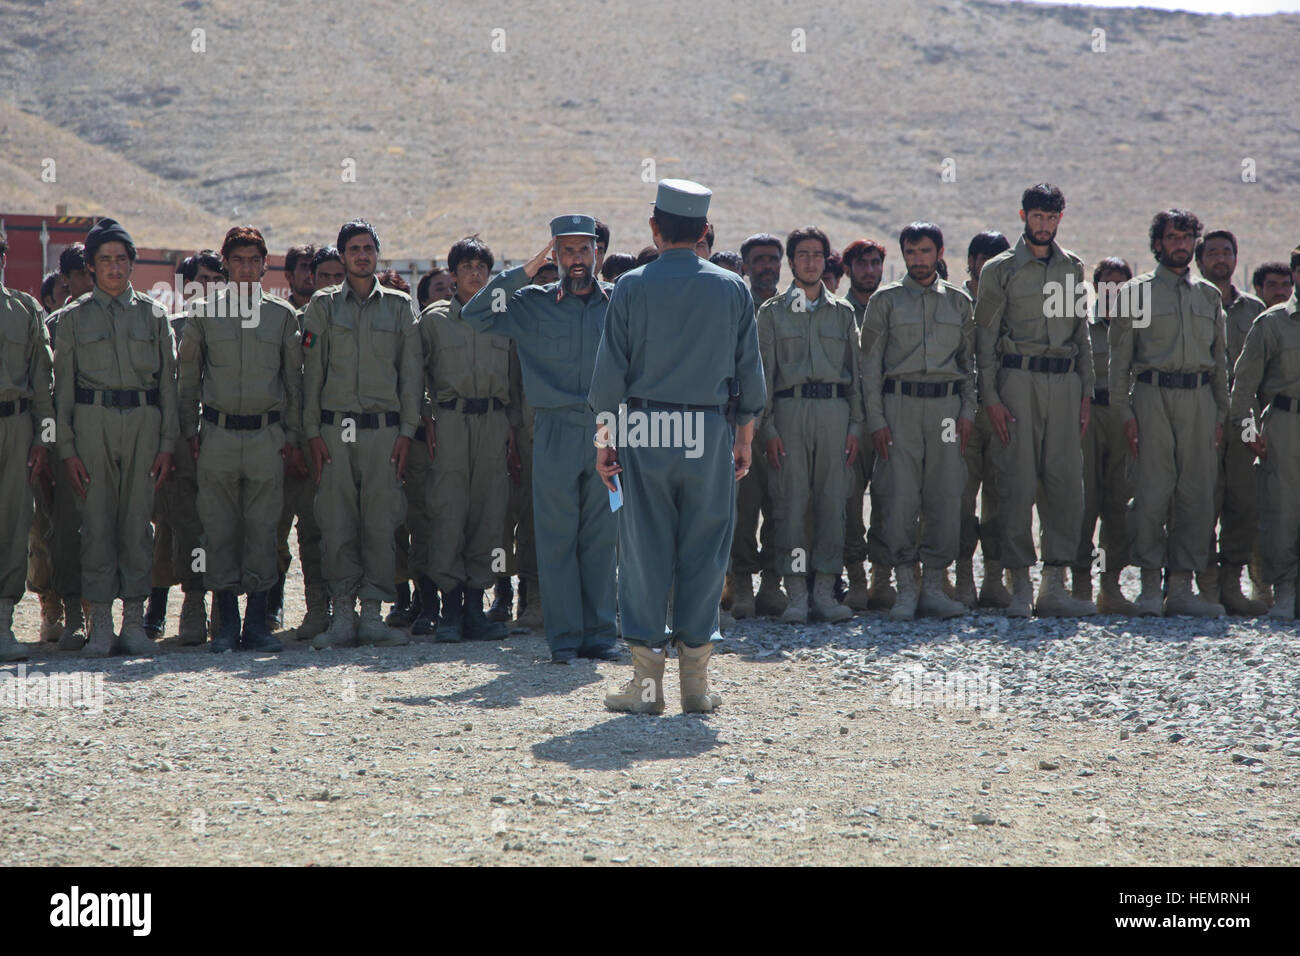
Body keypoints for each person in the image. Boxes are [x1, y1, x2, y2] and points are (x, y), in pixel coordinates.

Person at [594, 178, 764, 714]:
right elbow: (750, 378)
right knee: (705, 549)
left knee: (644, 551)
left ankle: (647, 688)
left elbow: (607, 382)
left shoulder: (631, 286)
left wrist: (605, 444)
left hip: (645, 430)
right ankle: (696, 684)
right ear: (705, 231)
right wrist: (743, 439)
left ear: (654, 229)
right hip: (709, 432)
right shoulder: (732, 288)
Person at [462, 215, 618, 663]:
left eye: (584, 250)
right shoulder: (531, 302)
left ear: (597, 254)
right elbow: (473, 312)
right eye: (566, 251)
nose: (575, 259)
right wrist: (527, 269)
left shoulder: (617, 303)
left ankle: (601, 635)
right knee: (556, 537)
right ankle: (565, 639)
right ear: (554, 253)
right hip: (551, 429)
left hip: (606, 428)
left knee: (600, 536)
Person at [54, 218, 178, 656]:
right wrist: (66, 449)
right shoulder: (71, 320)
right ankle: (101, 623)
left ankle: (134, 623)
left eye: (121, 259)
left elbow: (170, 387)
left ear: (132, 264)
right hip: (93, 420)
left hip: (144, 421)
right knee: (97, 523)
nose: (114, 268)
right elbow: (62, 391)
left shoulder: (155, 315)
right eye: (104, 260)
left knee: (138, 524)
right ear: (90, 266)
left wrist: (167, 444)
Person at [179, 226, 303, 652]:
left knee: (265, 531)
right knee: (219, 530)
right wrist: (189, 432)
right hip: (218, 435)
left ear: (265, 264)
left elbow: (294, 384)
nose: (247, 267)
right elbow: (188, 381)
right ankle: (225, 625)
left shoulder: (281, 316)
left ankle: (258, 625)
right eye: (238, 260)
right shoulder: (203, 313)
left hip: (267, 436)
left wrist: (292, 436)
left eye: (254, 259)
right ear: (226, 264)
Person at [974, 184, 1095, 617]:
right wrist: (989, 396)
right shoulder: (999, 270)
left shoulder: (1073, 268)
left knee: (1065, 483)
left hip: (1064, 383)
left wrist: (1086, 392)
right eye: (1037, 217)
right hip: (1017, 381)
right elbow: (984, 339)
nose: (1044, 225)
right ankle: (1020, 582)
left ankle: (1055, 586)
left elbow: (1081, 334)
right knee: (1016, 481)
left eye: (1051, 217)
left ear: (1060, 218)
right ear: (1022, 215)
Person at [302, 219, 422, 648]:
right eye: (354, 248)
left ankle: (372, 613)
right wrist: (311, 431)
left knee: (381, 521)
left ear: (377, 254)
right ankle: (342, 615)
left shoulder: (399, 306)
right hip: (335, 430)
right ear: (342, 255)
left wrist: (408, 431)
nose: (362, 255)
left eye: (369, 247)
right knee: (336, 523)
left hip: (383, 433)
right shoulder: (323, 306)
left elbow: (411, 377)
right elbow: (310, 375)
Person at [1109, 209, 1229, 617]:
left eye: (1186, 237)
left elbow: (1220, 364)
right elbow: (1118, 363)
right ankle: (1147, 587)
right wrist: (1125, 413)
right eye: (1172, 237)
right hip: (1151, 398)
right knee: (1151, 493)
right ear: (1157, 243)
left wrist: (1220, 415)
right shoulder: (1136, 293)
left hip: (1199, 401)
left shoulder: (1209, 296)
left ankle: (1181, 587)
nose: (1180, 244)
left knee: (1196, 494)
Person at [861, 222, 974, 620]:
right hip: (900, 407)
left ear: (940, 252)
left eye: (925, 251)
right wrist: (876, 420)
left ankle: (934, 587)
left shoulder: (959, 303)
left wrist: (966, 411)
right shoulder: (885, 302)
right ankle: (905, 586)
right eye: (911, 252)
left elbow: (969, 366)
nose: (918, 260)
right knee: (899, 496)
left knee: (944, 495)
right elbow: (870, 367)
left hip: (945, 409)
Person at [417, 236, 520, 642]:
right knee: (447, 512)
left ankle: (476, 606)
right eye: (466, 268)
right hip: (451, 422)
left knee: (489, 512)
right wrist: (426, 417)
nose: (474, 274)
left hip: (494, 421)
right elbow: (416, 373)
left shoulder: (503, 316)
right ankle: (450, 609)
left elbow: (514, 376)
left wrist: (512, 425)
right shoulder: (435, 319)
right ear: (454, 273)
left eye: (481, 268)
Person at [757, 226, 861, 624]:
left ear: (826, 259)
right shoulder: (772, 313)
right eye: (802, 254)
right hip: (789, 412)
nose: (810, 261)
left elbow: (857, 376)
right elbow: (764, 377)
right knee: (791, 503)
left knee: (833, 502)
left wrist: (855, 426)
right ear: (791, 261)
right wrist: (767, 430)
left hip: (835, 414)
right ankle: (796, 592)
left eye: (817, 254)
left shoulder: (843, 312)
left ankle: (825, 592)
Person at [146, 251, 223, 644]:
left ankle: (222, 607)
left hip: (223, 442)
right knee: (175, 530)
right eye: (202, 280)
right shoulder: (167, 329)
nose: (209, 288)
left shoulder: (235, 329)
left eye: (216, 280)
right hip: (177, 446)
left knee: (224, 527)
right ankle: (180, 605)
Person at [1195, 230, 1268, 615]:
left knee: (1242, 499)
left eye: (1227, 252)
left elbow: (1267, 371)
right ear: (1199, 260)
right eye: (1212, 253)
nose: (1220, 259)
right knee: (1203, 498)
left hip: (1244, 420)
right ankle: (1205, 584)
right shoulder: (1190, 302)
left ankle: (1232, 584)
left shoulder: (1255, 310)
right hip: (1201, 416)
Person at [1231, 249, 1300, 617]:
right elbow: (1244, 384)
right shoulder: (1271, 323)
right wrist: (1247, 429)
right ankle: (1285, 590)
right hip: (1286, 423)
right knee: (1284, 509)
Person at [1073, 257, 1142, 614]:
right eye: (1107, 284)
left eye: (1121, 284)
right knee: (1085, 503)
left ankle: (1109, 583)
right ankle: (1080, 584)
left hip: (1124, 420)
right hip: (1088, 419)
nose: (1114, 291)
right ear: (1096, 287)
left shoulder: (1139, 325)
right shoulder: (1083, 325)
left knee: (1118, 504)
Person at [725, 233, 788, 619]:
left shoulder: (788, 309)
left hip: (786, 423)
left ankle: (773, 583)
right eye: (759, 260)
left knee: (782, 507)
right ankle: (743, 584)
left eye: (773, 260)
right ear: (746, 267)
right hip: (743, 425)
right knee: (743, 510)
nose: (767, 266)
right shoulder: (733, 307)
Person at [0, 229, 55, 661]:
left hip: (15, 426)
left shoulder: (24, 310)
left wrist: (43, 438)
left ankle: (3, 624)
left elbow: (44, 384)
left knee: (15, 523)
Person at [954, 231, 1012, 609]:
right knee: (957, 498)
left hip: (1003, 411)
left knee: (1001, 497)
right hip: (960, 413)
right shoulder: (954, 302)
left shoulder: (1014, 303)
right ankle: (960, 579)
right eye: (983, 258)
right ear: (971, 261)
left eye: (997, 259)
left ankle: (994, 578)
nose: (988, 266)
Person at [838, 237, 891, 610]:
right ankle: (856, 577)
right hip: (848, 423)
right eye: (862, 264)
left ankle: (883, 578)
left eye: (875, 263)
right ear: (848, 269)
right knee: (849, 501)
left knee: (892, 499)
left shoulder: (893, 308)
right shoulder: (838, 313)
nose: (869, 270)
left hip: (889, 418)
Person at [283, 244, 316, 311]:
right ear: (289, 275)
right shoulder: (281, 314)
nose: (310, 274)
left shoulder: (329, 314)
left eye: (313, 267)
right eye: (304, 267)